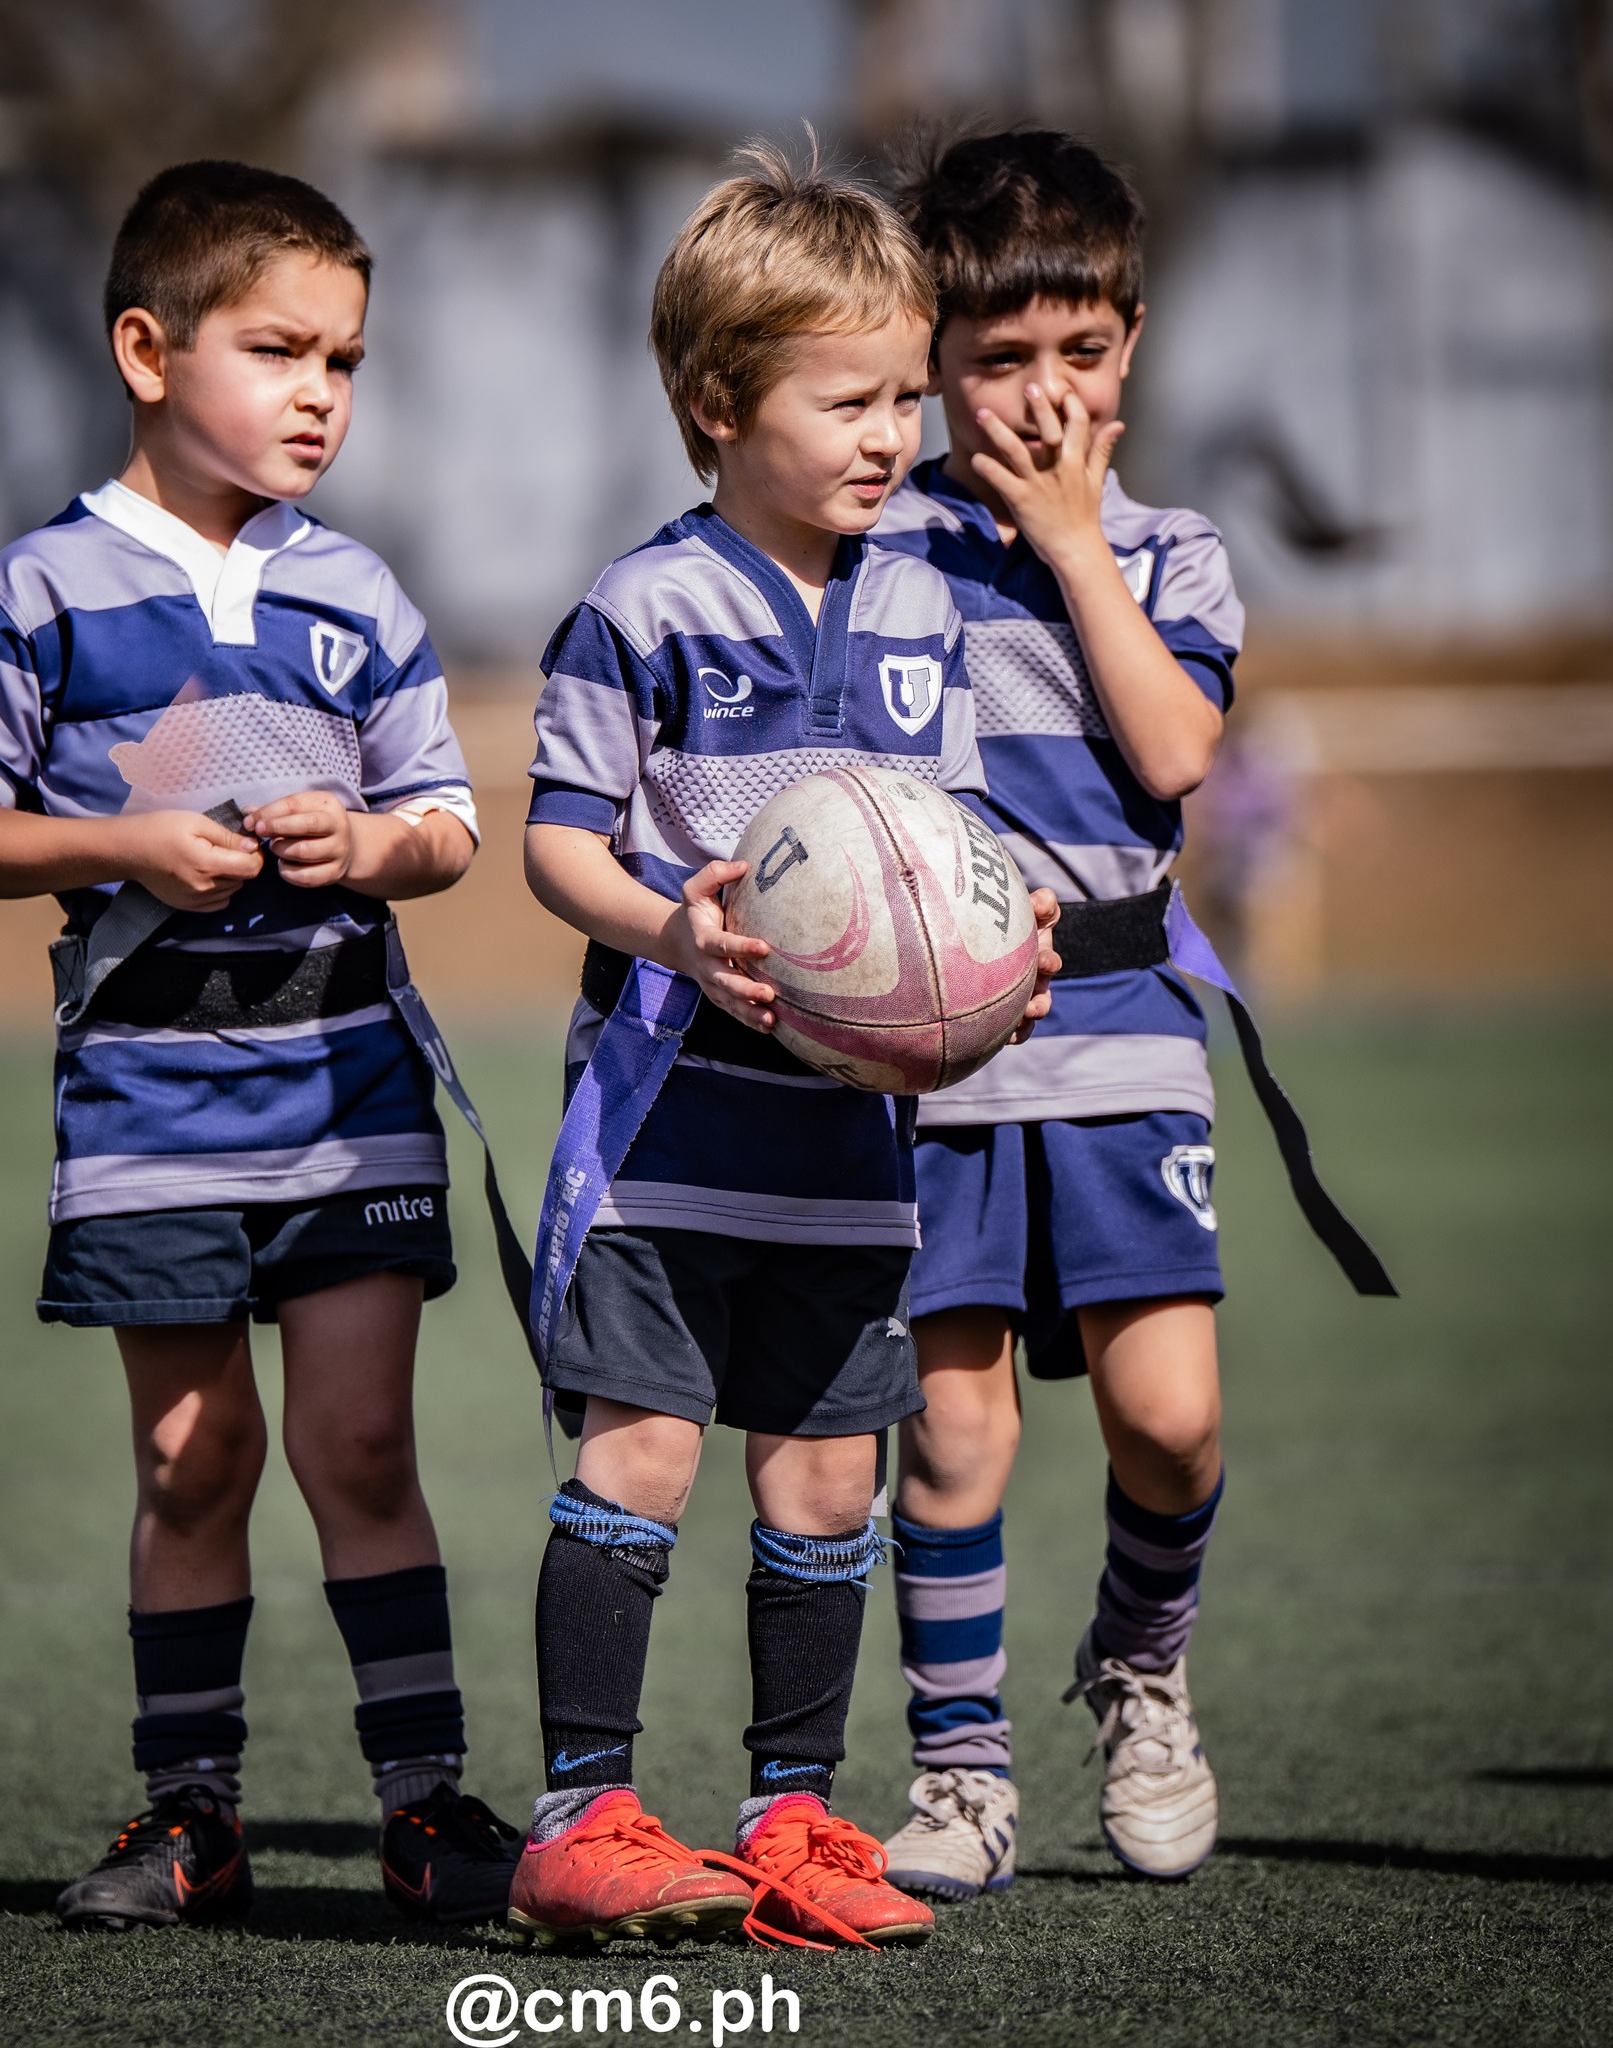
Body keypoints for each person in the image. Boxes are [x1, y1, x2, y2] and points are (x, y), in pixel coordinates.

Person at [0, 160, 520, 1933]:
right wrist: (125, 842)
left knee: (362, 1449)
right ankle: (192, 1816)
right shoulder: (41, 588)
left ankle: (422, 1805)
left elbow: (448, 826)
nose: (323, 392)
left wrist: (371, 844)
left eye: (347, 360)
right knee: (192, 1462)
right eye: (280, 349)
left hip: (348, 1093)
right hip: (149, 1101)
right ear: (148, 350)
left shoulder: (360, 593)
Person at [507, 146, 1060, 1951]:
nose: (894, 434)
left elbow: (952, 853)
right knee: (643, 1456)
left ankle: (797, 1817)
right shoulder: (641, 608)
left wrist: (1004, 959)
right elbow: (559, 843)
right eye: (851, 400)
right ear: (717, 403)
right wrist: (669, 927)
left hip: (845, 1143)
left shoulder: (920, 608)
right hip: (667, 1131)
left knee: (827, 1474)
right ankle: (581, 1814)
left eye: (908, 396)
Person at [868, 129, 1243, 1895]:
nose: (1043, 394)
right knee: (956, 1434)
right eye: (1000, 356)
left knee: (1169, 1419)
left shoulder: (1172, 551)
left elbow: (1176, 756)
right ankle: (960, 1772)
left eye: (1081, 351)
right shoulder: (872, 547)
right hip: (929, 1064)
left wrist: (1076, 544)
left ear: (1132, 342)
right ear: (931, 357)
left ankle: (1142, 1667)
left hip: (1124, 1032)